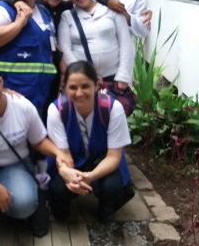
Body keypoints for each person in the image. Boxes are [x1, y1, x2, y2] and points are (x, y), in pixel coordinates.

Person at [0, 64, 73, 237]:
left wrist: (58, 153)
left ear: (1, 82)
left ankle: (10, 208)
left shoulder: (23, 106)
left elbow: (39, 141)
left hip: (15, 162)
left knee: (24, 204)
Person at [46, 61, 135, 221]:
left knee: (112, 186)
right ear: (65, 88)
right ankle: (61, 204)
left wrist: (90, 177)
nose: (79, 93)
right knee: (61, 189)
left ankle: (106, 205)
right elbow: (63, 155)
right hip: (70, 160)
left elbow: (114, 156)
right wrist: (66, 173)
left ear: (96, 85)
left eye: (85, 86)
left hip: (103, 161)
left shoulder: (112, 108)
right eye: (73, 87)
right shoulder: (57, 110)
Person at [58, 0, 134, 90]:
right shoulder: (67, 16)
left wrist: (123, 75)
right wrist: (83, 75)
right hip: (84, 81)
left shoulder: (112, 11)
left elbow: (125, 43)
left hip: (114, 79)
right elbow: (66, 50)